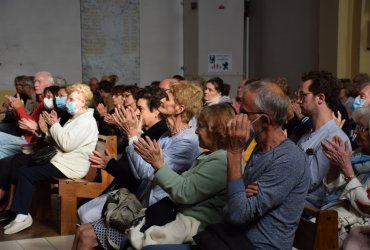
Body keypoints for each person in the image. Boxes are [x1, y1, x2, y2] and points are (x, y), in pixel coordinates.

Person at [73, 103, 234, 250]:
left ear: (216, 131)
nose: (197, 130)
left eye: (203, 127)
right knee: (83, 229)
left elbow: (182, 192)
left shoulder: (218, 159)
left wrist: (156, 163)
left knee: (87, 235)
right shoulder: (199, 151)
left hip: (181, 221)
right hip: (160, 208)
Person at [3, 83, 99, 234]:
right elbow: (58, 141)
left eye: (72, 99)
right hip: (62, 160)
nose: (68, 102)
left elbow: (66, 144)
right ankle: (20, 214)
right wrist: (46, 131)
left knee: (26, 173)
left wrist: (54, 125)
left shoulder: (86, 121)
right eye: (69, 99)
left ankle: (22, 216)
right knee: (22, 167)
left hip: (71, 166)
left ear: (84, 102)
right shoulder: (76, 118)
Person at [225, 80, 310, 249]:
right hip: (234, 240)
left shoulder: (288, 159)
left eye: (243, 112)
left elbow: (238, 213)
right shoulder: (259, 148)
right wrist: (241, 194)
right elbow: (232, 204)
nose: (237, 117)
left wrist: (234, 153)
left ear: (263, 120)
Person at [78, 86, 169, 224]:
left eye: (141, 109)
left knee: (87, 215)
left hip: (136, 194)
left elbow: (138, 174)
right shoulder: (148, 131)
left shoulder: (158, 134)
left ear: (156, 111)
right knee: (83, 210)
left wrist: (110, 163)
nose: (137, 113)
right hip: (125, 185)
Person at [295, 70, 351, 208]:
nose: (298, 100)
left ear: (320, 98)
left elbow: (308, 182)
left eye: (303, 95)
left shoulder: (334, 138)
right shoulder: (307, 135)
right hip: (295, 205)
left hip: (309, 212)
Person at [321, 107, 370, 246]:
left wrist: (347, 170)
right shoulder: (356, 155)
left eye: (361, 127)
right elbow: (330, 191)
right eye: (355, 126)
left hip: (354, 228)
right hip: (332, 215)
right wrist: (335, 165)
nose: (355, 131)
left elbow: (366, 208)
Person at [0, 71, 54, 159]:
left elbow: (30, 124)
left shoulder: (49, 103)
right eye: (35, 82)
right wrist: (15, 110)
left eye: (39, 82)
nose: (35, 85)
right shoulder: (41, 101)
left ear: (50, 84)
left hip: (31, 141)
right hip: (25, 136)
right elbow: (23, 124)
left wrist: (19, 108)